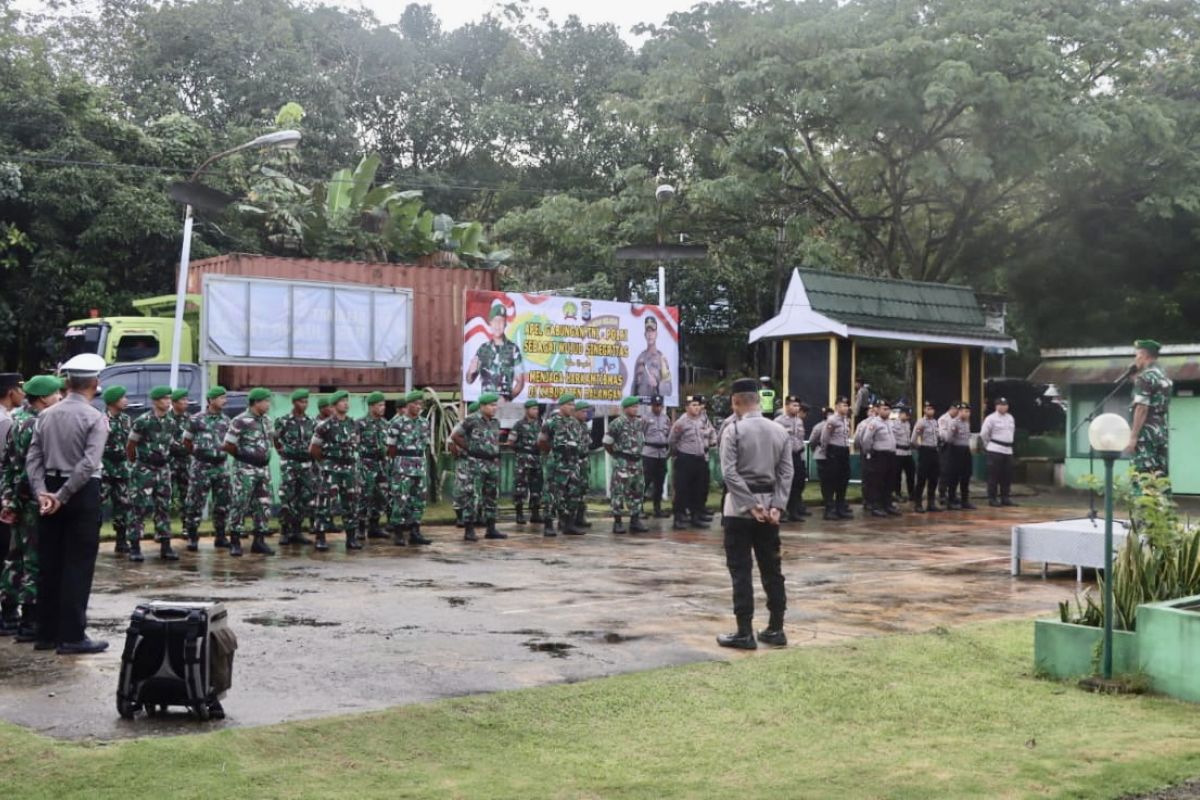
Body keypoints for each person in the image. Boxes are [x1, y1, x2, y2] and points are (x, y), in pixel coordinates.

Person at [27, 353, 109, 654]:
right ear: (95, 384)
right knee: (77, 565)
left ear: (68, 382)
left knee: (49, 563)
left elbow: (33, 457)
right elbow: (89, 463)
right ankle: (72, 636)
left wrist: (43, 493)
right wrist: (62, 496)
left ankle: (45, 633)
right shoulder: (94, 418)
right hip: (80, 492)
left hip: (49, 488)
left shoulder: (46, 415)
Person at [716, 378, 792, 650]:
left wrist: (749, 504)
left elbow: (729, 472)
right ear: (758, 400)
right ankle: (776, 628)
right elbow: (786, 472)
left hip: (738, 510)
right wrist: (777, 505)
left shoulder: (733, 430)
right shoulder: (780, 430)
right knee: (772, 569)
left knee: (740, 570)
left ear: (736, 402)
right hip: (770, 509)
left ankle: (744, 632)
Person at [0, 375, 61, 641]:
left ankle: (8, 614)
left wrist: (8, 498)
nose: (59, 397)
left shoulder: (16, 422)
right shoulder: (40, 424)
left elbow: (7, 466)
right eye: (56, 394)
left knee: (14, 559)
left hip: (18, 499)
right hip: (35, 500)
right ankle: (30, 620)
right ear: (45, 398)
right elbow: (31, 468)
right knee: (34, 561)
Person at [126, 386, 178, 562]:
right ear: (155, 401)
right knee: (138, 507)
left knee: (163, 507)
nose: (168, 401)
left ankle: (165, 545)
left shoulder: (171, 422)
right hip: (145, 469)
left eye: (169, 398)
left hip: (163, 470)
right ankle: (134, 546)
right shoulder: (143, 421)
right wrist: (136, 464)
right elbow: (131, 445)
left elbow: (170, 444)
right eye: (164, 399)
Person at [224, 387, 277, 557]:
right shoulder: (240, 420)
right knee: (240, 503)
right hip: (245, 469)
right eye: (265, 401)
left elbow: (270, 442)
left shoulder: (267, 421)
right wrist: (244, 456)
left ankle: (259, 541)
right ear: (256, 402)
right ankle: (235, 541)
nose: (268, 404)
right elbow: (228, 445)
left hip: (263, 469)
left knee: (263, 504)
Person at [182, 386, 232, 552]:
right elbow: (187, 441)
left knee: (222, 502)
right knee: (195, 502)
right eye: (221, 398)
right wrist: (197, 454)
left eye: (225, 398)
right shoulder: (196, 419)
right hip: (201, 466)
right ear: (211, 400)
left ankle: (220, 535)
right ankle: (192, 536)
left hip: (221, 466)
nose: (224, 401)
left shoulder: (226, 420)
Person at [310, 390, 361, 552]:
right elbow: (314, 449)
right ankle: (321, 537)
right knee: (325, 503)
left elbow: (356, 444)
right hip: (331, 468)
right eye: (342, 401)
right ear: (333, 405)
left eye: (347, 400)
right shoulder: (324, 426)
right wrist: (326, 463)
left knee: (351, 503)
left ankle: (351, 537)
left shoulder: (353, 424)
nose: (346, 403)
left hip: (349, 468)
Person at [452, 392, 505, 541]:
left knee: (492, 496)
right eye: (491, 405)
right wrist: (470, 448)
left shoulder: (495, 422)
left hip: (492, 463)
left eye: (495, 405)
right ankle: (469, 529)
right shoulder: (471, 420)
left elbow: (494, 441)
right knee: (472, 495)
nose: (494, 408)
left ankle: (491, 528)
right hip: (475, 463)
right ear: (482, 406)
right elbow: (456, 436)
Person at [386, 390, 433, 546]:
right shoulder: (397, 423)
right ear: (408, 405)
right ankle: (399, 532)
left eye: (421, 404)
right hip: (403, 465)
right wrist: (399, 462)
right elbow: (390, 448)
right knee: (401, 499)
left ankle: (415, 532)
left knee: (418, 499)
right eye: (416, 404)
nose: (419, 407)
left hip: (419, 463)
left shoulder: (424, 423)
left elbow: (425, 444)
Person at [1124, 339, 1173, 477]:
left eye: (1136, 355)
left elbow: (1142, 408)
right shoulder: (1163, 376)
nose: (1135, 359)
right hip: (1160, 432)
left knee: (1143, 476)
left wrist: (1133, 437)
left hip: (1145, 434)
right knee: (1159, 476)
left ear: (1144, 355)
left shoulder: (1145, 377)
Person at [274, 389, 316, 546]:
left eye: (306, 402)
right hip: (290, 464)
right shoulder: (283, 421)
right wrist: (285, 453)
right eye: (301, 401)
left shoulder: (311, 421)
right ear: (294, 402)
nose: (304, 404)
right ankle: (285, 531)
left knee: (304, 497)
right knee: (287, 497)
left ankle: (297, 531)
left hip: (306, 464)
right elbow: (276, 441)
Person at [669, 395, 716, 530]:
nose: (696, 408)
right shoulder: (681, 422)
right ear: (687, 407)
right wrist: (678, 453)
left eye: (697, 405)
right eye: (693, 405)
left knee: (699, 489)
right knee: (682, 489)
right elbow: (672, 440)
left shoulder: (702, 421)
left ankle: (696, 516)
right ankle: (678, 517)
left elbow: (709, 435)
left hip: (700, 458)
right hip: (685, 459)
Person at [604, 396, 649, 534]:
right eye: (632, 407)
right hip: (622, 461)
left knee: (637, 491)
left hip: (637, 461)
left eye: (636, 407)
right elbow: (607, 443)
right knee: (618, 491)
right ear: (625, 408)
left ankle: (635, 520)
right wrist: (617, 456)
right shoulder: (617, 423)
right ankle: (617, 522)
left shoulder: (640, 422)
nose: (635, 409)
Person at [0, 372, 23, 631]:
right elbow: (8, 463)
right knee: (7, 553)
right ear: (10, 392)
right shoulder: (5, 422)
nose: (23, 394)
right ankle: (7, 614)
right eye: (20, 389)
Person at [539, 394, 581, 536]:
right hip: (557, 462)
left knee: (573, 493)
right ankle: (548, 524)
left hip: (573, 463)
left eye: (573, 405)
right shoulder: (551, 422)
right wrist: (554, 454)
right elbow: (542, 441)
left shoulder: (575, 423)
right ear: (561, 405)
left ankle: (568, 524)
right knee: (552, 493)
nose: (572, 407)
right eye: (569, 405)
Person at [465, 302, 525, 399]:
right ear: (490, 323)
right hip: (486, 405)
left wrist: (508, 399)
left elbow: (520, 382)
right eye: (495, 321)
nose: (498, 325)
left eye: (501, 321)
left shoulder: (513, 349)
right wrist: (471, 372)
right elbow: (469, 380)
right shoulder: (483, 349)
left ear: (505, 323)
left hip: (504, 407)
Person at [100, 386, 134, 555]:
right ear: (113, 402)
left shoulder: (126, 419)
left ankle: (121, 540)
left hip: (122, 468)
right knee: (97, 503)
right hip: (104, 468)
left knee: (123, 504)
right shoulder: (100, 419)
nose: (126, 400)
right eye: (122, 398)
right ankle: (91, 538)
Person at [356, 391, 390, 541]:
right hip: (366, 463)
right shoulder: (360, 423)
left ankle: (374, 526)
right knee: (364, 495)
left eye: (384, 405)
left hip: (382, 463)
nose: (383, 408)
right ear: (371, 407)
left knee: (381, 496)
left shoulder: (385, 424)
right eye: (380, 405)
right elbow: (354, 443)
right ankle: (360, 528)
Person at [858, 399, 900, 517]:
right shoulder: (874, 423)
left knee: (889, 481)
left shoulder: (891, 423)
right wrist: (869, 452)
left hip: (890, 455)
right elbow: (866, 440)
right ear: (878, 410)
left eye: (888, 409)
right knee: (877, 482)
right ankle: (876, 506)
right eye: (884, 409)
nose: (886, 411)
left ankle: (887, 504)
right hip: (879, 455)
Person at [508, 399, 544, 525]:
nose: (536, 411)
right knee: (520, 487)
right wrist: (521, 451)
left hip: (537, 459)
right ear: (527, 410)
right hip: (523, 460)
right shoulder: (519, 425)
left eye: (537, 409)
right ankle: (519, 513)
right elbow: (511, 442)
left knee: (536, 487)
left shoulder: (540, 424)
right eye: (533, 409)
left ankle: (535, 513)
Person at [774, 395, 808, 521]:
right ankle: (781, 510)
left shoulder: (799, 421)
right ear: (787, 406)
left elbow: (799, 439)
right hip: (784, 456)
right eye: (794, 405)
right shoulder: (778, 421)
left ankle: (794, 511)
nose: (797, 408)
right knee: (783, 483)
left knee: (798, 483)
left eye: (798, 406)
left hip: (797, 454)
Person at [820, 397, 853, 520]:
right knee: (831, 480)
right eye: (843, 405)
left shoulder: (846, 420)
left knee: (843, 479)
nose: (846, 407)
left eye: (847, 405)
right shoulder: (832, 420)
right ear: (837, 406)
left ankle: (840, 507)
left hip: (844, 450)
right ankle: (829, 509)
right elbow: (824, 437)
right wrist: (825, 452)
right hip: (833, 450)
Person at [980, 397, 1017, 507]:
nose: (1003, 407)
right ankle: (992, 498)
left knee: (1007, 476)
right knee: (994, 476)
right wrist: (988, 445)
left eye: (1005, 405)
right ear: (996, 406)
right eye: (1000, 405)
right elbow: (984, 434)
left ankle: (1005, 497)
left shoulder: (1010, 418)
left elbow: (1012, 432)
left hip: (1008, 450)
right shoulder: (991, 418)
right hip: (995, 449)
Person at [640, 395, 672, 518]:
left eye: (659, 405)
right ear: (651, 405)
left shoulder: (666, 419)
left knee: (660, 482)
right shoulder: (645, 418)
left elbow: (669, 434)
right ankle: (639, 508)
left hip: (662, 453)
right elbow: (640, 433)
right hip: (649, 453)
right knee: (645, 481)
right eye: (655, 405)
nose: (657, 408)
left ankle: (657, 509)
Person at [450, 401, 479, 529]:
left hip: (478, 462)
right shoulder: (464, 425)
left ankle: (476, 516)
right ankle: (460, 516)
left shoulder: (482, 426)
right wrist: (459, 453)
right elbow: (451, 441)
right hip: (464, 461)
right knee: (461, 488)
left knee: (476, 490)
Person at [910, 401, 942, 513]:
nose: (930, 411)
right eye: (928, 408)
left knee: (934, 478)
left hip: (934, 450)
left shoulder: (935, 422)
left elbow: (937, 436)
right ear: (924, 410)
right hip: (925, 450)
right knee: (921, 478)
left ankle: (931, 503)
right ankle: (918, 503)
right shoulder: (921, 422)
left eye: (932, 409)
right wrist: (919, 448)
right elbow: (913, 439)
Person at [632, 316, 673, 398]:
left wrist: (657, 385)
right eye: (648, 331)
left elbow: (669, 389)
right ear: (645, 334)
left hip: (655, 404)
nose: (650, 334)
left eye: (652, 331)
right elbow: (634, 386)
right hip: (640, 405)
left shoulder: (662, 358)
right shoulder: (640, 358)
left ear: (656, 334)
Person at [571, 401, 595, 531]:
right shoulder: (571, 425)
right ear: (576, 412)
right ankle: (568, 519)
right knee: (572, 491)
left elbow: (588, 443)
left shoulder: (584, 426)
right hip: (574, 461)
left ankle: (580, 517)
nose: (586, 414)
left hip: (584, 461)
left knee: (583, 489)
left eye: (587, 411)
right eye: (583, 412)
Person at [946, 403, 975, 510]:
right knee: (954, 477)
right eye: (964, 411)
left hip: (965, 450)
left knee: (966, 476)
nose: (966, 413)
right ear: (959, 412)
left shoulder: (967, 423)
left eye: (968, 411)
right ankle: (951, 500)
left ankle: (965, 500)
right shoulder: (954, 423)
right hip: (955, 450)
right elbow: (949, 438)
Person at [168, 388, 191, 516]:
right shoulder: (166, 418)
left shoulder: (190, 419)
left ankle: (186, 526)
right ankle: (163, 528)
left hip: (185, 462)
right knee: (165, 495)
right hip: (169, 461)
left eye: (186, 399)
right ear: (174, 402)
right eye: (183, 400)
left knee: (187, 494)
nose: (186, 402)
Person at [936, 402, 961, 508]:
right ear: (951, 409)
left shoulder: (958, 419)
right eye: (956, 409)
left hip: (956, 447)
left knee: (955, 472)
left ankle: (952, 494)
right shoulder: (943, 419)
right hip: (946, 447)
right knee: (945, 471)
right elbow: (943, 435)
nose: (957, 412)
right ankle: (942, 494)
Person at [808, 406, 831, 518]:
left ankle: (831, 502)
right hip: (822, 455)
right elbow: (812, 441)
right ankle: (828, 502)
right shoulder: (819, 426)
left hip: (832, 456)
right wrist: (816, 451)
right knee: (826, 481)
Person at [892, 405, 915, 503]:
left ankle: (911, 493)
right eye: (906, 415)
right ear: (901, 414)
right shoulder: (894, 424)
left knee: (911, 473)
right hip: (898, 452)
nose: (908, 417)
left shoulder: (908, 424)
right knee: (897, 475)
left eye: (909, 415)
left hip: (908, 452)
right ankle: (897, 493)